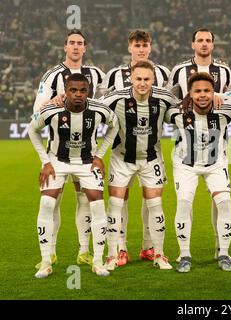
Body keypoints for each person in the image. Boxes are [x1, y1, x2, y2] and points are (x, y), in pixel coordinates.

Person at [29, 73, 118, 278]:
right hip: (57, 161)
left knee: (96, 203)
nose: (78, 94)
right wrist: (46, 162)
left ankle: (97, 261)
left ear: (88, 91)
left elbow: (115, 127)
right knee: (47, 204)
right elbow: (32, 130)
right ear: (66, 91)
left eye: (82, 90)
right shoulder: (50, 110)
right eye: (73, 90)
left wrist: (99, 156)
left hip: (87, 163)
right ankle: (45, 262)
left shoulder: (99, 110)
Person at [33, 29, 105, 269]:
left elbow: (104, 104)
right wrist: (52, 101)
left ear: (85, 48)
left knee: (84, 199)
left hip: (87, 151)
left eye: (80, 43)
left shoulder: (95, 74)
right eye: (72, 43)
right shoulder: (52, 75)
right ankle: (49, 253)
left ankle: (85, 251)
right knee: (53, 200)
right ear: (65, 47)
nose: (76, 47)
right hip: (58, 151)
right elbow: (37, 110)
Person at [99, 30, 171, 266]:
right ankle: (118, 249)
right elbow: (98, 108)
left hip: (152, 154)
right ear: (130, 47)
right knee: (119, 201)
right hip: (122, 153)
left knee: (153, 201)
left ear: (150, 47)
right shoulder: (113, 78)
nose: (141, 48)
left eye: (145, 45)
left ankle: (151, 248)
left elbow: (178, 107)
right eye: (137, 45)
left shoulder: (163, 76)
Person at [167, 28, 231, 260]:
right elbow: (168, 98)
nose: (204, 44)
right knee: (184, 203)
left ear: (213, 45)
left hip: (217, 152)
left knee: (223, 202)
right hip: (186, 151)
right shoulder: (179, 70)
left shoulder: (224, 70)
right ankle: (183, 254)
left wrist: (222, 99)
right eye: (200, 40)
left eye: (208, 41)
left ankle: (222, 250)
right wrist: (182, 104)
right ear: (193, 44)